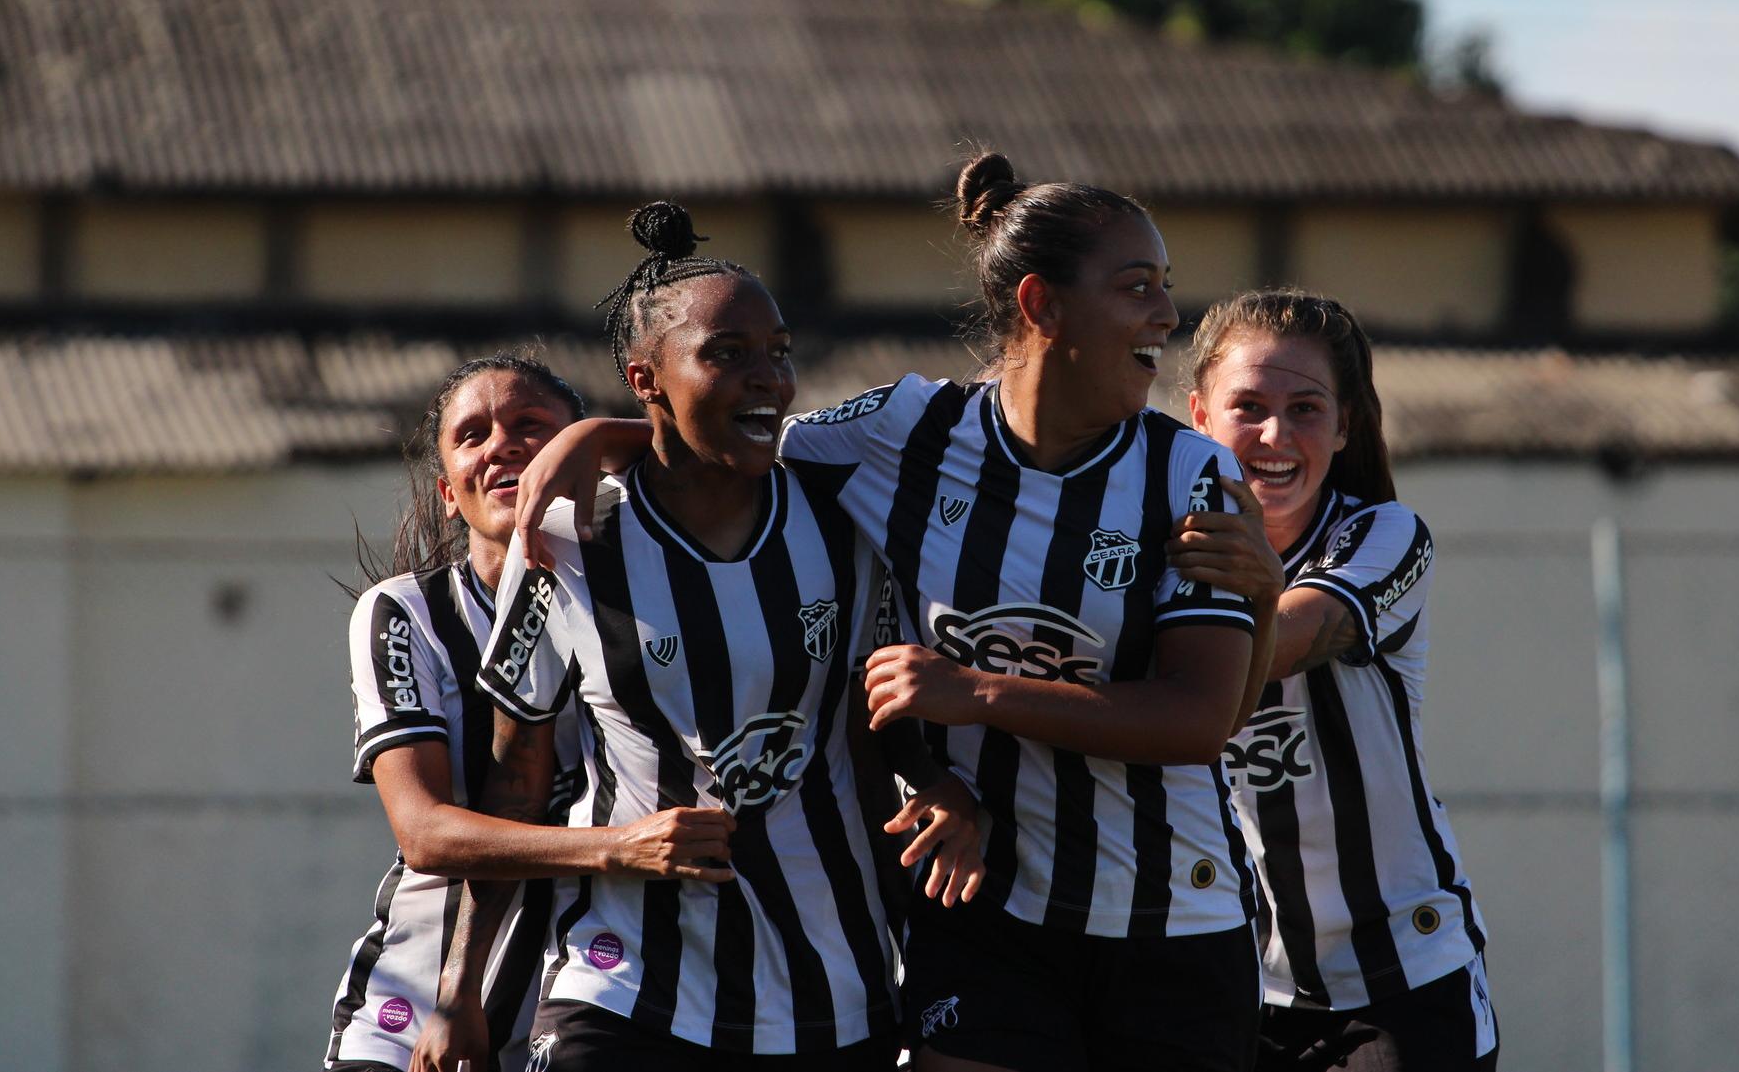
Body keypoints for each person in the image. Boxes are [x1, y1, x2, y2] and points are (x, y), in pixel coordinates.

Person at [518, 157, 1274, 1072]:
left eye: (1166, 288)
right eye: (1138, 287)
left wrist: (975, 692)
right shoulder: (903, 432)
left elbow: (1194, 719)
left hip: (1170, 916)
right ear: (1041, 304)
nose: (1166, 315)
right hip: (984, 910)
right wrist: (601, 432)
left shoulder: (1188, 474)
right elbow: (742, 433)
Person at [467, 202, 984, 1071]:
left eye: (779, 354)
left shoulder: (841, 512)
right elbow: (514, 781)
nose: (769, 381)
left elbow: (870, 726)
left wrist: (937, 783)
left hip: (833, 983)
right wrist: (462, 996)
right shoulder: (561, 541)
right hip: (624, 978)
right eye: (728, 355)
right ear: (646, 379)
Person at [1173, 288, 1497, 1071]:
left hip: (1399, 981)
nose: (1275, 433)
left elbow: (1289, 636)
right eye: (1247, 405)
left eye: (1307, 408)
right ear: (1199, 417)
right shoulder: (1159, 549)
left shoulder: (1384, 534)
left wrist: (1236, 589)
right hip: (1235, 978)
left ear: (1344, 424)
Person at [326, 351, 595, 1072]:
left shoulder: (643, 596)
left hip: (590, 990)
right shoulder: (405, 612)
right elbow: (424, 832)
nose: (502, 443)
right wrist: (624, 846)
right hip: (418, 1000)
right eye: (473, 435)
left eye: (531, 426)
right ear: (450, 492)